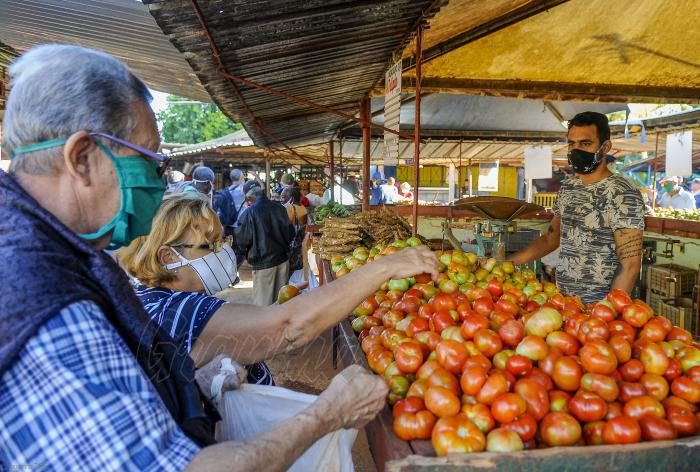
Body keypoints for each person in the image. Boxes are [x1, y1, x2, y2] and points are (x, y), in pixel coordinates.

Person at [0, 44, 440, 470]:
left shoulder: (50, 263)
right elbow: (285, 329)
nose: (157, 180)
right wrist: (327, 413)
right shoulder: (48, 304)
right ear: (81, 157)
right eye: (148, 161)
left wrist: (188, 384)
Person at [119, 193, 273, 386]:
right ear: (168, 257)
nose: (222, 251)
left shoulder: (138, 298)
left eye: (223, 241)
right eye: (210, 245)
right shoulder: (192, 309)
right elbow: (288, 326)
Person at [508, 111, 644, 304]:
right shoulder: (569, 188)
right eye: (572, 144)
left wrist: (607, 312)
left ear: (605, 147)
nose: (576, 150)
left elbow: (630, 264)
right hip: (566, 303)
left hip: (599, 308)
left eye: (586, 143)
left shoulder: (622, 193)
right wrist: (506, 263)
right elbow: (550, 240)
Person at [235, 185, 295, 306]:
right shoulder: (280, 208)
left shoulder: (249, 213)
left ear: (250, 199)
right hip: (282, 260)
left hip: (263, 264)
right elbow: (290, 233)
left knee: (263, 306)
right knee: (281, 302)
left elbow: (242, 241)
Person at [281, 185, 308, 275]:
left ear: (291, 198)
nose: (282, 199)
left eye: (284, 197)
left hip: (292, 244)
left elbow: (285, 227)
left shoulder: (290, 208)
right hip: (300, 243)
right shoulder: (302, 207)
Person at [214, 168, 246, 238]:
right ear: (241, 177)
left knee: (230, 247)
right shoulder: (244, 190)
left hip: (228, 225)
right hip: (241, 226)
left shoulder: (225, 191)